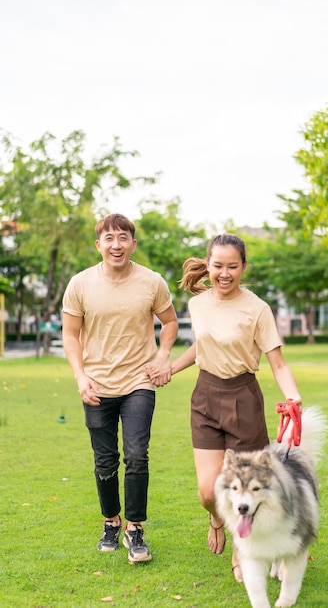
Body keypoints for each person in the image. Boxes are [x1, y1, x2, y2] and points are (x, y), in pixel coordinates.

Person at [147, 233, 302, 582]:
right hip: (205, 397)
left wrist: (292, 397)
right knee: (208, 491)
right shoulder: (198, 304)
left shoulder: (257, 309)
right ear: (209, 265)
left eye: (233, 266)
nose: (225, 273)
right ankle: (217, 518)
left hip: (243, 398)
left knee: (243, 489)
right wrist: (170, 366)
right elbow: (201, 347)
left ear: (243, 267)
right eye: (218, 266)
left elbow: (277, 363)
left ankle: (239, 546)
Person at [62, 213, 178, 564]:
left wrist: (163, 356)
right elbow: (70, 334)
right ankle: (110, 521)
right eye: (109, 238)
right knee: (105, 461)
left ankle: (135, 529)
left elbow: (169, 322)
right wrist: (81, 377)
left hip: (139, 380)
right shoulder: (80, 284)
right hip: (96, 383)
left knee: (137, 455)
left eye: (123, 238)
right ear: (99, 245)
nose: (116, 245)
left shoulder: (152, 281)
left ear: (133, 243)